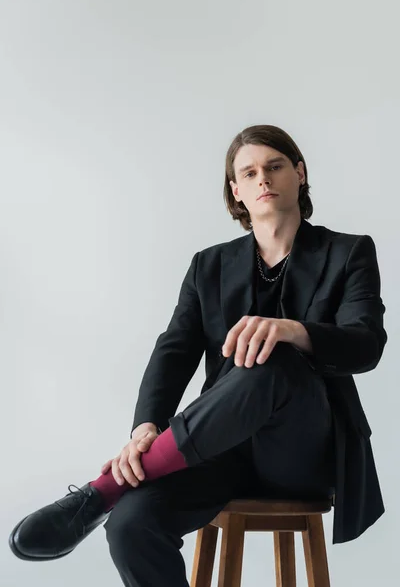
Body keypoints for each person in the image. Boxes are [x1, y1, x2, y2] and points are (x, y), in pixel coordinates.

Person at [9, 124, 387, 586]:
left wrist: (292, 330)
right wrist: (145, 427)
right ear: (237, 191)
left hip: (302, 451)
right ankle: (124, 490)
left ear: (300, 174)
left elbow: (366, 343)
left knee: (272, 357)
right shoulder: (209, 265)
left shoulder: (348, 253)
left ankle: (105, 489)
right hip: (215, 449)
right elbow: (174, 350)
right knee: (130, 524)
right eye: (248, 173)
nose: (263, 179)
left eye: (275, 167)